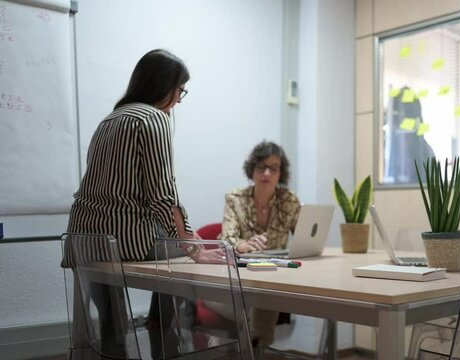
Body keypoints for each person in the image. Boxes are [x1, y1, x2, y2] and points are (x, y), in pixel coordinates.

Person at [61, 49, 225, 357]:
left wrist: (187, 237)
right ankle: (163, 335)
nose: (178, 99)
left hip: (83, 240)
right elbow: (163, 194)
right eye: (180, 90)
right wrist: (193, 245)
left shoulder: (110, 118)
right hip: (124, 242)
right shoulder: (154, 118)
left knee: (111, 321)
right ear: (164, 85)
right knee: (189, 261)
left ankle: (123, 344)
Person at [219, 140, 301, 347]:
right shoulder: (235, 198)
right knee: (262, 298)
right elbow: (226, 238)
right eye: (261, 167)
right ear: (252, 170)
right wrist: (242, 245)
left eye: (273, 168)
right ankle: (258, 345)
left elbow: (303, 239)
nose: (266, 174)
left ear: (280, 173)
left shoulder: (289, 200)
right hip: (241, 274)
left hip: (275, 274)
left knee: (267, 292)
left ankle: (256, 345)